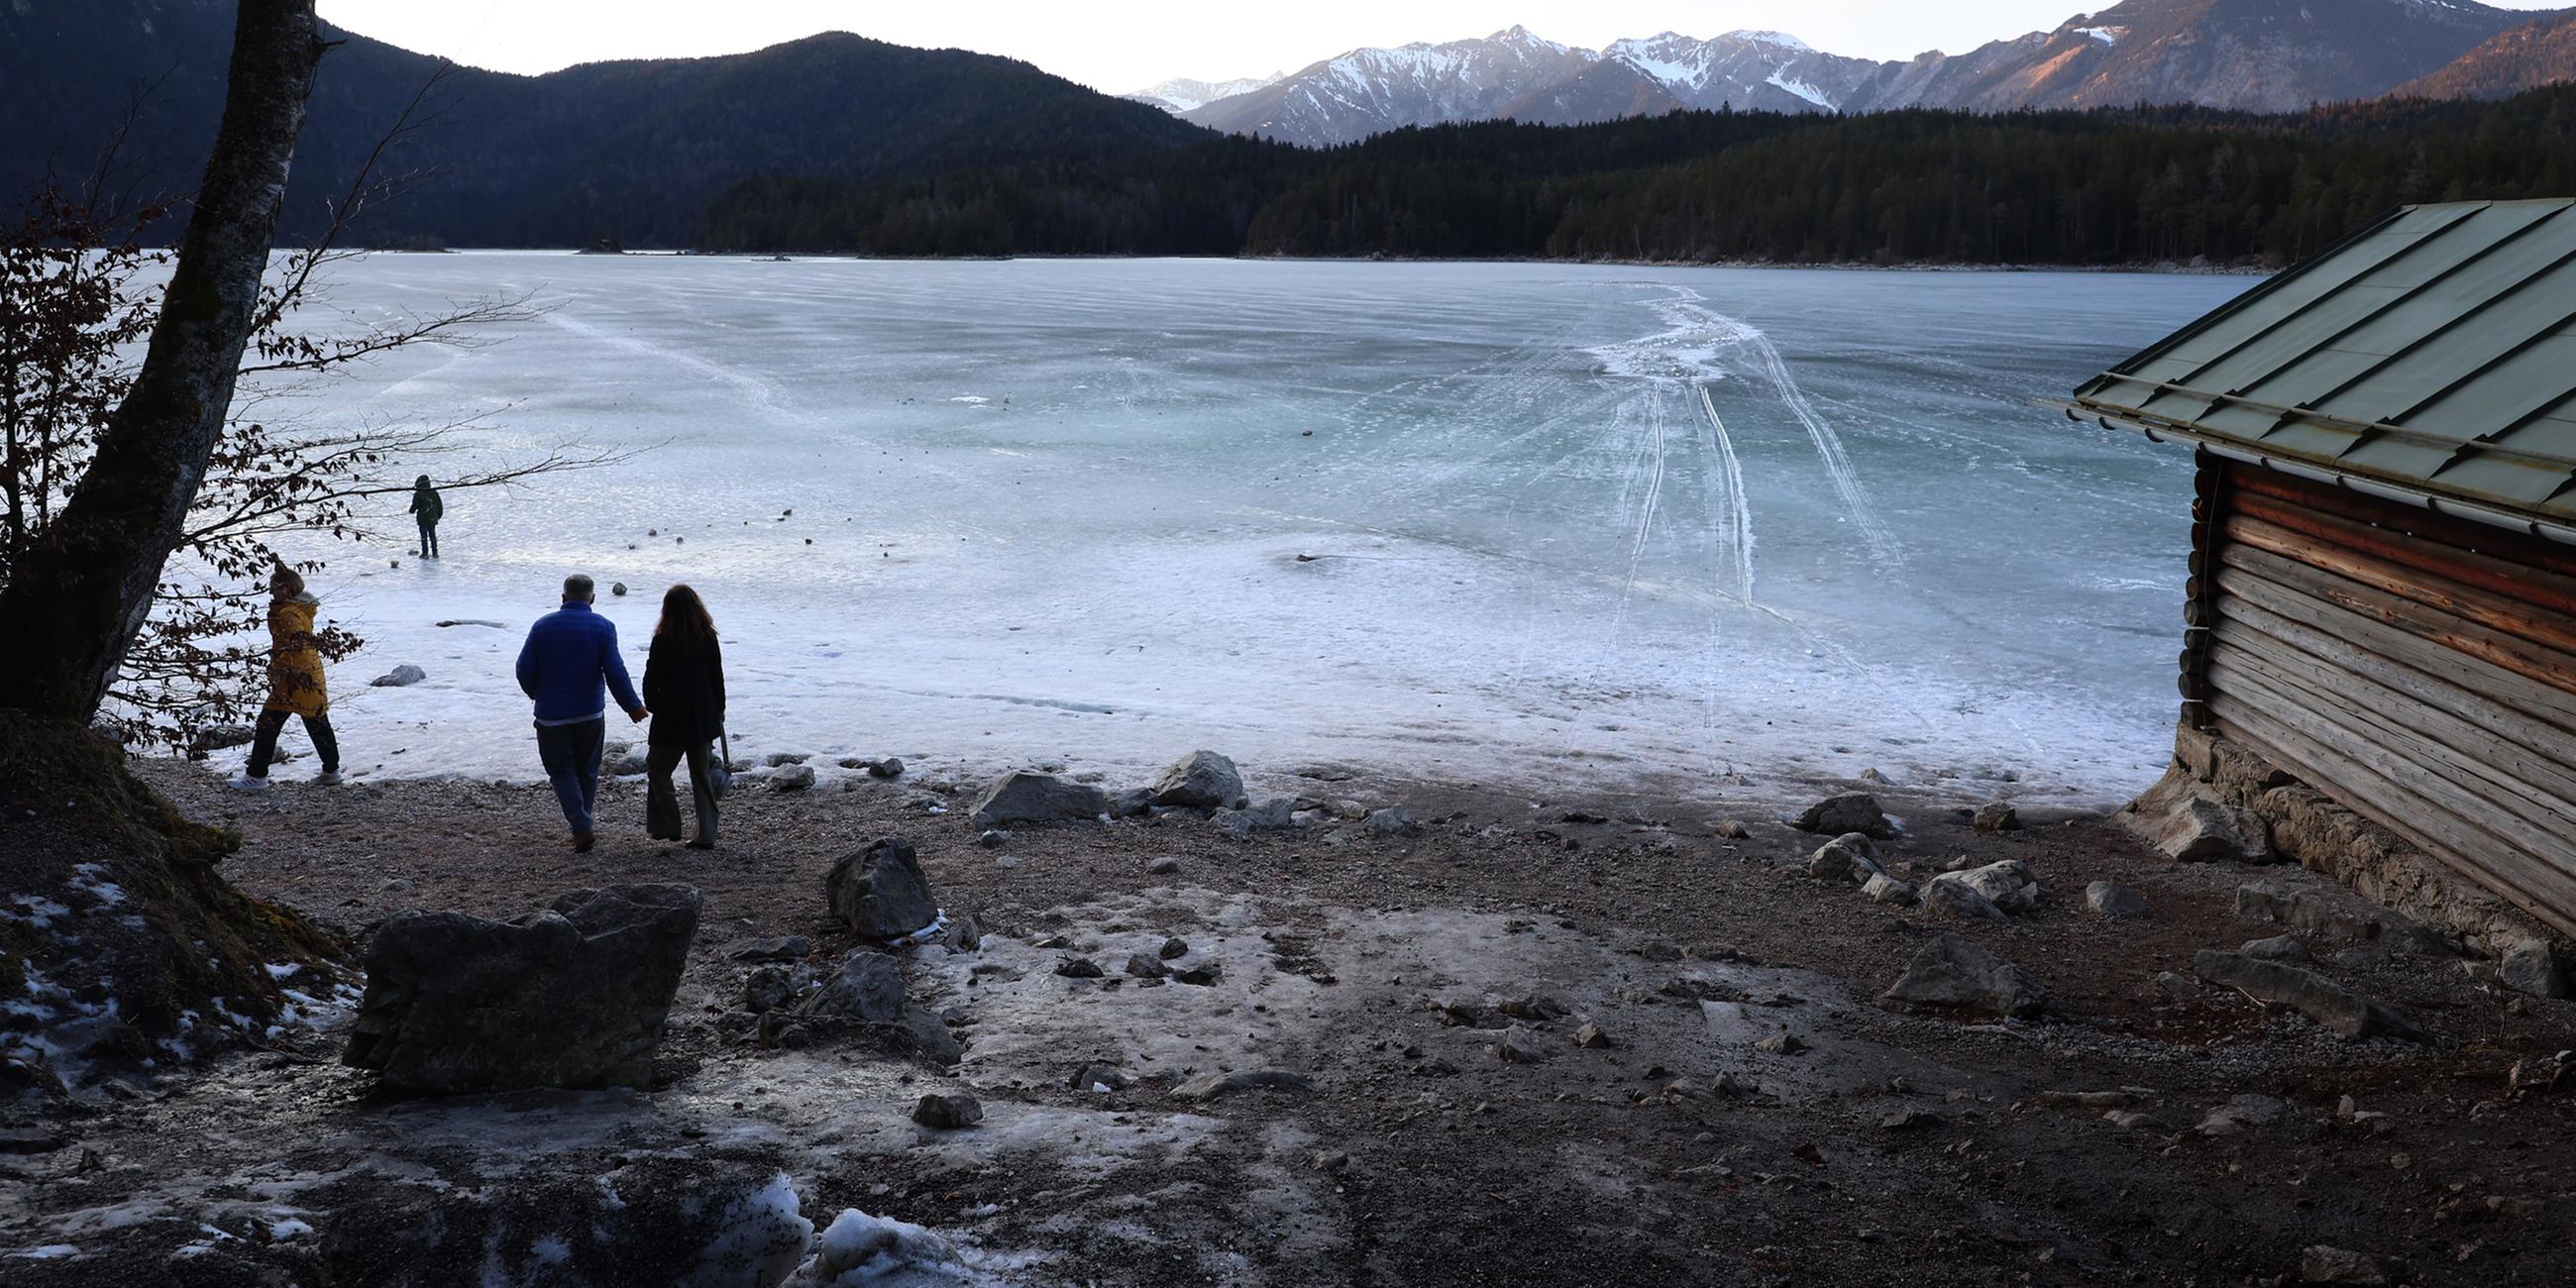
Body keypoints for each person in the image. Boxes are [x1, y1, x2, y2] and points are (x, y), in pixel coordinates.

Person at [515, 574, 646, 851]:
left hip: (551, 716)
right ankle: (582, 824)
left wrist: (535, 693)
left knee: (562, 772)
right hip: (589, 714)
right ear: (593, 599)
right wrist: (632, 706)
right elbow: (615, 671)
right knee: (588, 771)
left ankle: (580, 825)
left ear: (563, 598)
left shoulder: (542, 627)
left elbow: (523, 669)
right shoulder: (603, 626)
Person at [233, 567, 343, 791]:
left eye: (274, 590)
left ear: (286, 588)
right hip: (310, 673)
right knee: (317, 721)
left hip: (294, 677)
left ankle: (256, 776)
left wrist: (279, 670)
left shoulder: (288, 614)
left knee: (267, 725)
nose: (271, 594)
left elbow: (292, 647)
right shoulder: (299, 609)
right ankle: (332, 771)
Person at [642, 585, 726, 849]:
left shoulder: (663, 638)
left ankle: (667, 826)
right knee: (701, 774)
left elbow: (651, 677)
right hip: (702, 715)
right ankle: (707, 834)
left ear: (667, 610)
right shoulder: (707, 636)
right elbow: (717, 677)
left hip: (670, 715)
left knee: (658, 770)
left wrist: (653, 704)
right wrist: (719, 710)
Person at [407, 475, 443, 559]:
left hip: (423, 519)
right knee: (432, 536)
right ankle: (435, 552)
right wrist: (437, 516)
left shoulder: (418, 494)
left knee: (424, 536)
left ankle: (425, 553)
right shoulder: (434, 492)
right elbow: (440, 506)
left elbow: (415, 506)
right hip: (433, 518)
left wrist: (411, 511)